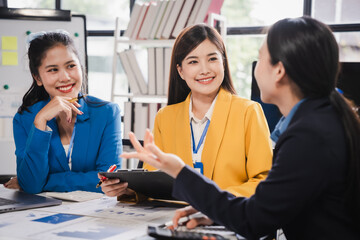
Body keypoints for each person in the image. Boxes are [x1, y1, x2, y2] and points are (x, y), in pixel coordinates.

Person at [121, 17, 360, 239]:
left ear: (278, 70)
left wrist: (180, 171)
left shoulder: (307, 136)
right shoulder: (325, 120)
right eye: (193, 61)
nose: (255, 67)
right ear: (180, 70)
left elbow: (254, 219)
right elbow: (266, 212)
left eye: (261, 57)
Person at [100, 24, 272, 200]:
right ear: (180, 71)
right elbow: (153, 183)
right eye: (193, 61)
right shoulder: (165, 117)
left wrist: (217, 200)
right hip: (176, 218)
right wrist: (128, 190)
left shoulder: (248, 112)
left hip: (228, 218)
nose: (205, 69)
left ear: (223, 62)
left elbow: (265, 180)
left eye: (212, 59)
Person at [4, 31, 122, 194]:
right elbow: (32, 186)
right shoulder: (25, 119)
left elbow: (109, 179)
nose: (65, 77)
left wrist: (47, 182)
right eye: (53, 70)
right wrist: (41, 121)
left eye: (71, 66)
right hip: (43, 215)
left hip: (96, 213)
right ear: (38, 78)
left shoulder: (107, 113)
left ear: (80, 67)